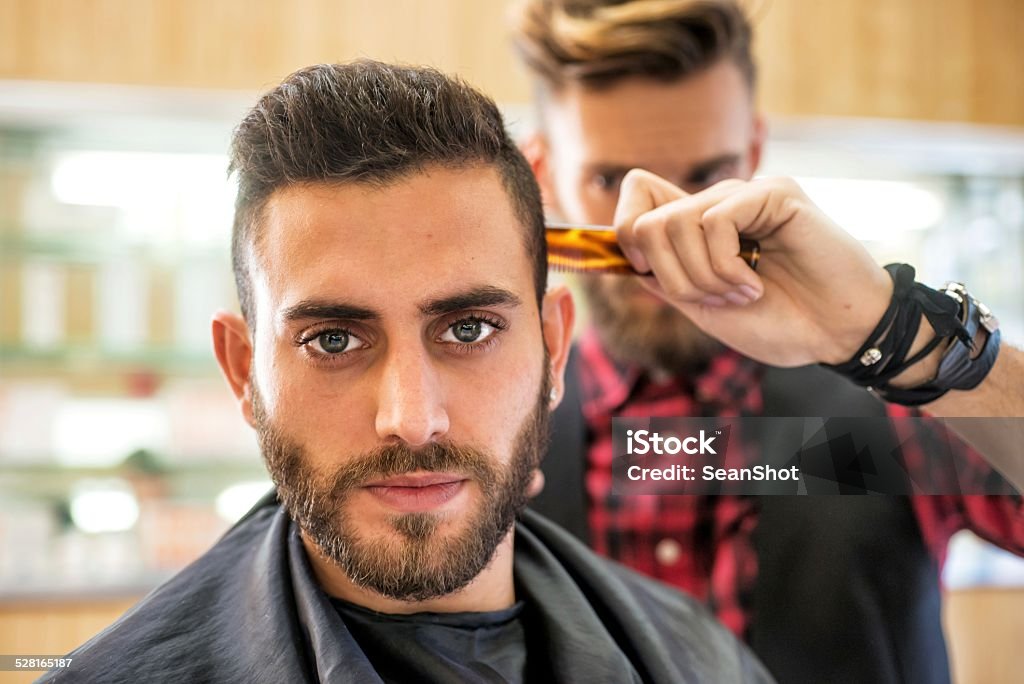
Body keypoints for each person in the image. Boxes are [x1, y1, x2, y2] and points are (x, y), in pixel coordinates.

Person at [39, 60, 774, 683]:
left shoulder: (703, 661)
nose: (412, 418)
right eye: (332, 341)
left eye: (467, 329)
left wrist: (882, 332)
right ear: (242, 373)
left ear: (552, 349)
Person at [509, 1, 1024, 682]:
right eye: (608, 180)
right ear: (540, 172)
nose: (661, 221)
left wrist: (890, 330)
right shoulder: (501, 424)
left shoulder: (896, 400)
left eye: (707, 175)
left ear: (752, 154)